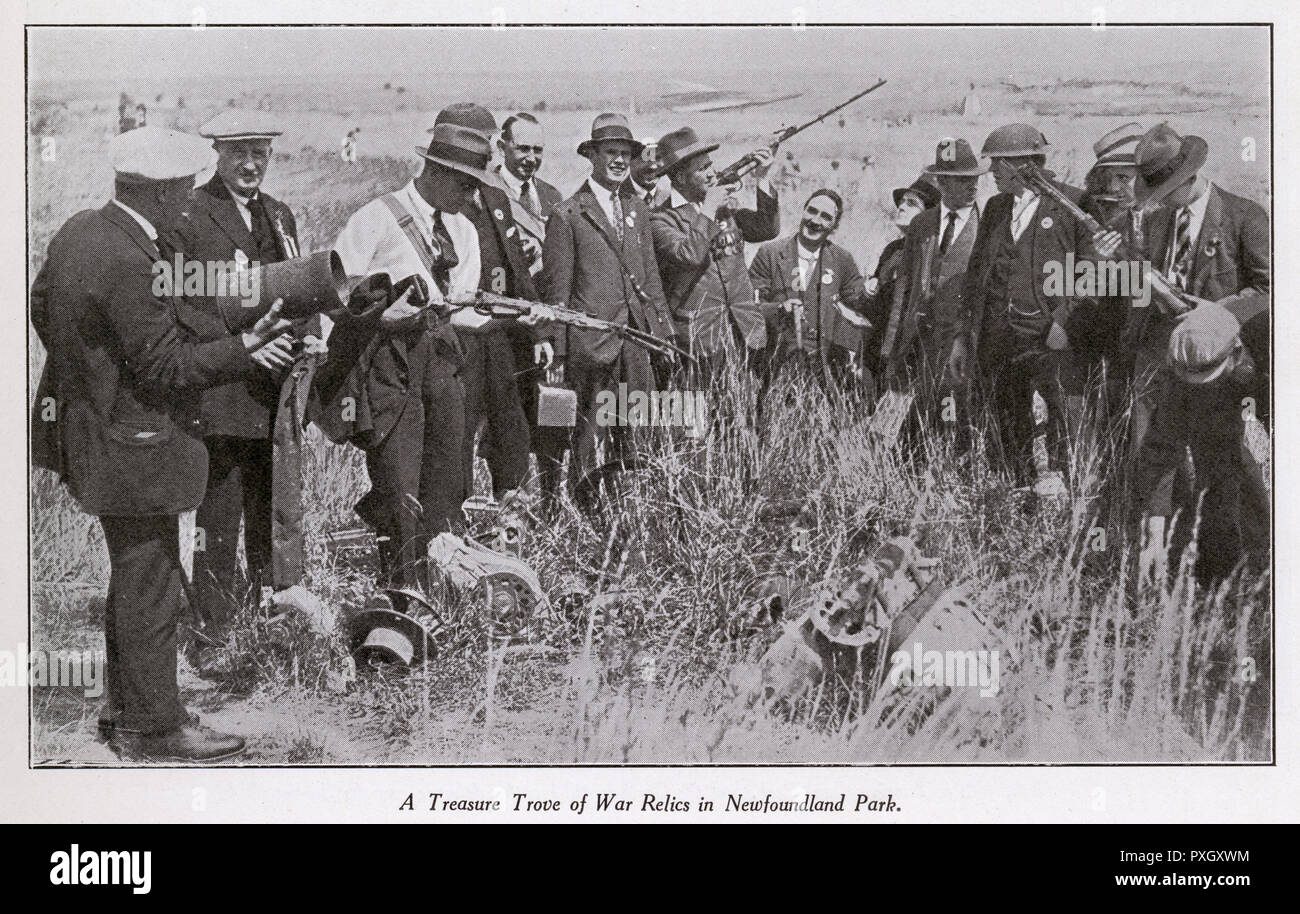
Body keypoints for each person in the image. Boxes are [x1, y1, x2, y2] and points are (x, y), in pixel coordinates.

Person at [30, 127, 297, 761]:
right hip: (135, 446)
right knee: (151, 585)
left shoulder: (84, 231)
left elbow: (43, 307)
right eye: (179, 192)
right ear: (155, 191)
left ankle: (127, 712)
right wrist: (246, 348)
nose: (187, 204)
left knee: (133, 578)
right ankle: (154, 728)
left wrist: (90, 373)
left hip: (100, 436)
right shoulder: (129, 257)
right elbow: (167, 366)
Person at [167, 109, 318, 635]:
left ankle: (261, 626)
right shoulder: (190, 214)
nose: (250, 165)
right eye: (238, 154)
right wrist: (243, 349)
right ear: (218, 155)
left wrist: (306, 338)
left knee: (268, 511)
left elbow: (297, 290)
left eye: (259, 154)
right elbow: (184, 307)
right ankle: (212, 631)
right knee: (218, 521)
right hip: (222, 391)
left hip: (273, 394)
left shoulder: (279, 215)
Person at [321, 116, 488, 589]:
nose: (471, 197)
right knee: (398, 486)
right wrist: (382, 314)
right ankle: (401, 597)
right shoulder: (375, 217)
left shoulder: (466, 232)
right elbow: (336, 294)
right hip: (389, 370)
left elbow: (462, 312)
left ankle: (445, 591)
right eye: (465, 184)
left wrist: (508, 321)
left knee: (448, 481)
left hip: (443, 365)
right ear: (434, 171)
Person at [1128, 123, 1269, 583]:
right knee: (1158, 456)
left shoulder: (1245, 216)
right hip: (1168, 361)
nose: (1161, 200)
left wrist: (1219, 313)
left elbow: (1269, 289)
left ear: (1189, 179)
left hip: (1220, 364)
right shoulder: (1156, 221)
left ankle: (1233, 572)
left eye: (1167, 190)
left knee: (1221, 465)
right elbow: (1146, 281)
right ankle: (1166, 559)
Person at [946, 123, 1106, 496]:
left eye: (997, 164)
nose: (992, 173)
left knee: (1066, 417)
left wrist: (1064, 321)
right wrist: (963, 338)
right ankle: (1013, 493)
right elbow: (976, 277)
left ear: (1023, 164)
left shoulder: (1074, 204)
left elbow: (1092, 272)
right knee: (1005, 417)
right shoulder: (996, 207)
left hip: (1052, 338)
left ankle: (1073, 495)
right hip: (998, 339)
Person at [539, 113, 674, 506]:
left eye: (625, 154)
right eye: (611, 152)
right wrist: (558, 350)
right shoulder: (568, 214)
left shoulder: (636, 209)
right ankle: (588, 514)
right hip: (592, 346)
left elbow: (650, 279)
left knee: (638, 434)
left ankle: (631, 511)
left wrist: (662, 335)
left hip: (637, 343)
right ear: (593, 156)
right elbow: (558, 293)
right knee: (590, 438)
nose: (619, 161)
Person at [432, 104, 543, 503]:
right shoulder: (442, 198)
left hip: (498, 336)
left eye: (488, 144)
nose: (488, 152)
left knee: (510, 428)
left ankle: (511, 512)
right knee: (458, 431)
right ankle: (456, 516)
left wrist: (538, 325)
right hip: (459, 335)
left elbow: (515, 264)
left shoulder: (494, 195)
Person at [650, 126, 779, 386]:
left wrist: (762, 178)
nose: (712, 174)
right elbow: (689, 255)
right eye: (702, 169)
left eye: (710, 166)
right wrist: (709, 208)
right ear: (680, 178)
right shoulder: (661, 219)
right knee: (701, 414)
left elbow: (765, 229)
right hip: (700, 337)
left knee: (743, 412)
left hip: (743, 327)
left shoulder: (722, 209)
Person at [490, 111, 569, 511]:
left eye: (538, 149)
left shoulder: (553, 197)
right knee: (507, 427)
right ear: (502, 145)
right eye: (522, 148)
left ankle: (554, 502)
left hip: (546, 327)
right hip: (503, 329)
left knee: (553, 418)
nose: (530, 157)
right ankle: (508, 510)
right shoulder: (486, 194)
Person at [880, 140, 985, 425]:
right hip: (916, 340)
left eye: (974, 178)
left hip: (959, 342)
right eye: (961, 180)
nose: (971, 186)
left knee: (953, 417)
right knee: (905, 420)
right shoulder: (922, 224)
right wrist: (891, 347)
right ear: (941, 182)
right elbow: (903, 288)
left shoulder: (987, 224)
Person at [750, 188, 870, 393]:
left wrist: (871, 291)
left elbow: (857, 301)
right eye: (812, 211)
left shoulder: (842, 259)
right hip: (776, 365)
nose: (815, 220)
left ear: (835, 225)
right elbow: (749, 307)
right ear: (803, 211)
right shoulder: (770, 253)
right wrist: (779, 308)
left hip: (824, 370)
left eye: (826, 217)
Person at [867, 174, 941, 376]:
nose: (900, 207)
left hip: (912, 353)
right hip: (878, 346)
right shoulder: (892, 249)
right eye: (901, 202)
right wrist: (871, 284)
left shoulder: (933, 252)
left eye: (911, 204)